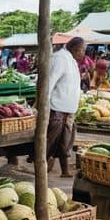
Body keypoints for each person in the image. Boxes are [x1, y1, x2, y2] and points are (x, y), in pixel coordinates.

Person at [44, 36, 84, 178]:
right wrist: (45, 105)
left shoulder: (71, 60)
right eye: (82, 50)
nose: (83, 53)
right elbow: (49, 82)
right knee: (50, 143)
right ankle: (42, 170)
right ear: (74, 49)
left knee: (65, 142)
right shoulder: (60, 59)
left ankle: (65, 171)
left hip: (68, 109)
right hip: (57, 108)